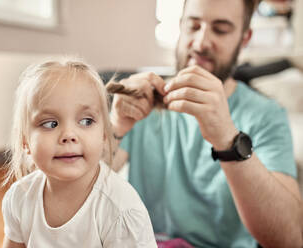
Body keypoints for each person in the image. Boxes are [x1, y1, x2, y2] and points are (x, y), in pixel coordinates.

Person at [110, 0, 303, 247]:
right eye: (193, 26)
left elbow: (289, 239)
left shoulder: (267, 115)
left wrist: (228, 139)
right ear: (180, 27)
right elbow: (71, 189)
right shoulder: (144, 100)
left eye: (220, 30)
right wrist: (115, 126)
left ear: (244, 38)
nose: (200, 43)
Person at [0, 58, 157, 248]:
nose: (68, 135)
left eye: (86, 121)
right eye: (51, 124)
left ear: (104, 135)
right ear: (26, 141)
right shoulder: (20, 197)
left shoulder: (121, 210)